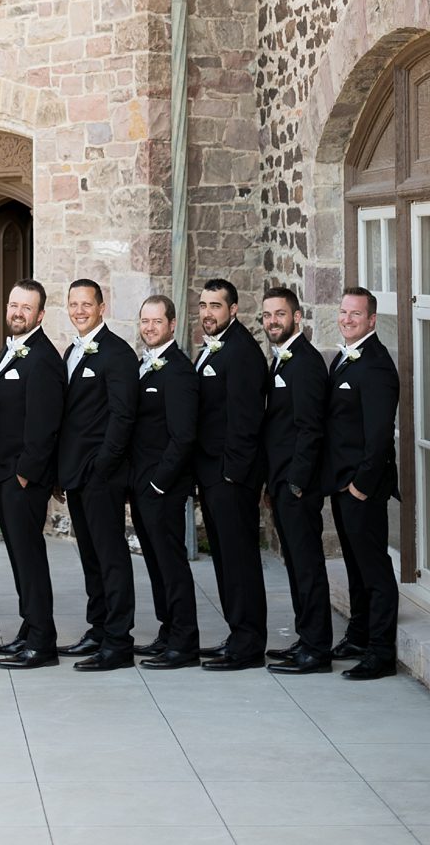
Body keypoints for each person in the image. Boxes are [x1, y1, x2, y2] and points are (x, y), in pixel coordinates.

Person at [57, 278, 138, 671]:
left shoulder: (117, 353)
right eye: (73, 304)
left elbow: (123, 416)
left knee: (111, 557)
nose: (79, 310)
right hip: (76, 474)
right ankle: (99, 627)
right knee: (90, 556)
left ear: (101, 307)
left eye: (86, 304)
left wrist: (102, 466)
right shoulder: (72, 350)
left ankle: (119, 642)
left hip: (101, 475)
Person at [0, 280, 65, 669]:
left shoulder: (44, 358)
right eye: (14, 304)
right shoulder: (12, 347)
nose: (17, 312)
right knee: (19, 557)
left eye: (26, 307)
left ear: (40, 315)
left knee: (30, 558)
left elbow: (44, 424)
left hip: (22, 478)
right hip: (4, 473)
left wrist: (24, 475)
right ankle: (28, 630)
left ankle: (43, 642)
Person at [324, 286, 401, 681]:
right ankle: (358, 634)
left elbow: (379, 437)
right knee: (354, 566)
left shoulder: (376, 366)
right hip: (343, 484)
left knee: (374, 569)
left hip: (362, 488)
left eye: (356, 314)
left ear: (372, 320)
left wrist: (360, 486)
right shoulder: (349, 355)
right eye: (344, 312)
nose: (348, 319)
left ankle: (381, 651)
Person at [195, 278, 270, 671]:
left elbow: (246, 422)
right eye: (204, 305)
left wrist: (230, 477)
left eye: (216, 306)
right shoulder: (215, 347)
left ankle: (249, 643)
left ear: (234, 309)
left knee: (239, 561)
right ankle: (237, 633)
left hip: (230, 478)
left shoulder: (241, 352)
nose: (207, 312)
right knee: (225, 560)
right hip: (212, 475)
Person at [260, 286, 332, 674]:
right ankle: (306, 637)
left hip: (297, 486)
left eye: (280, 314)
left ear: (297, 317)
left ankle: (317, 649)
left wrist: (295, 485)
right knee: (295, 564)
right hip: (282, 483)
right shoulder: (281, 360)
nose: (273, 321)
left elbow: (310, 430)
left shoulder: (304, 362)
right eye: (268, 315)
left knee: (307, 565)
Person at [127, 295, 199, 669]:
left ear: (172, 324)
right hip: (142, 486)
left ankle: (185, 642)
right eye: (145, 321)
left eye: (157, 321)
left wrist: (158, 484)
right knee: (155, 563)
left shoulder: (179, 371)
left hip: (163, 488)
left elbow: (184, 436)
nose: (150, 328)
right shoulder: (146, 365)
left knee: (171, 564)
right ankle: (168, 630)